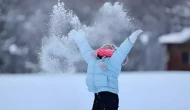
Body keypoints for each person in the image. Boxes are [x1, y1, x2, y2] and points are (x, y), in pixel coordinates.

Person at [69, 29, 143, 110]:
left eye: (109, 47)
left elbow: (122, 51)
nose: (106, 47)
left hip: (110, 96)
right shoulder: (93, 60)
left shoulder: (114, 60)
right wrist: (79, 39)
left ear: (113, 50)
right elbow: (85, 50)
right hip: (97, 95)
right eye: (104, 47)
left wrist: (130, 40)